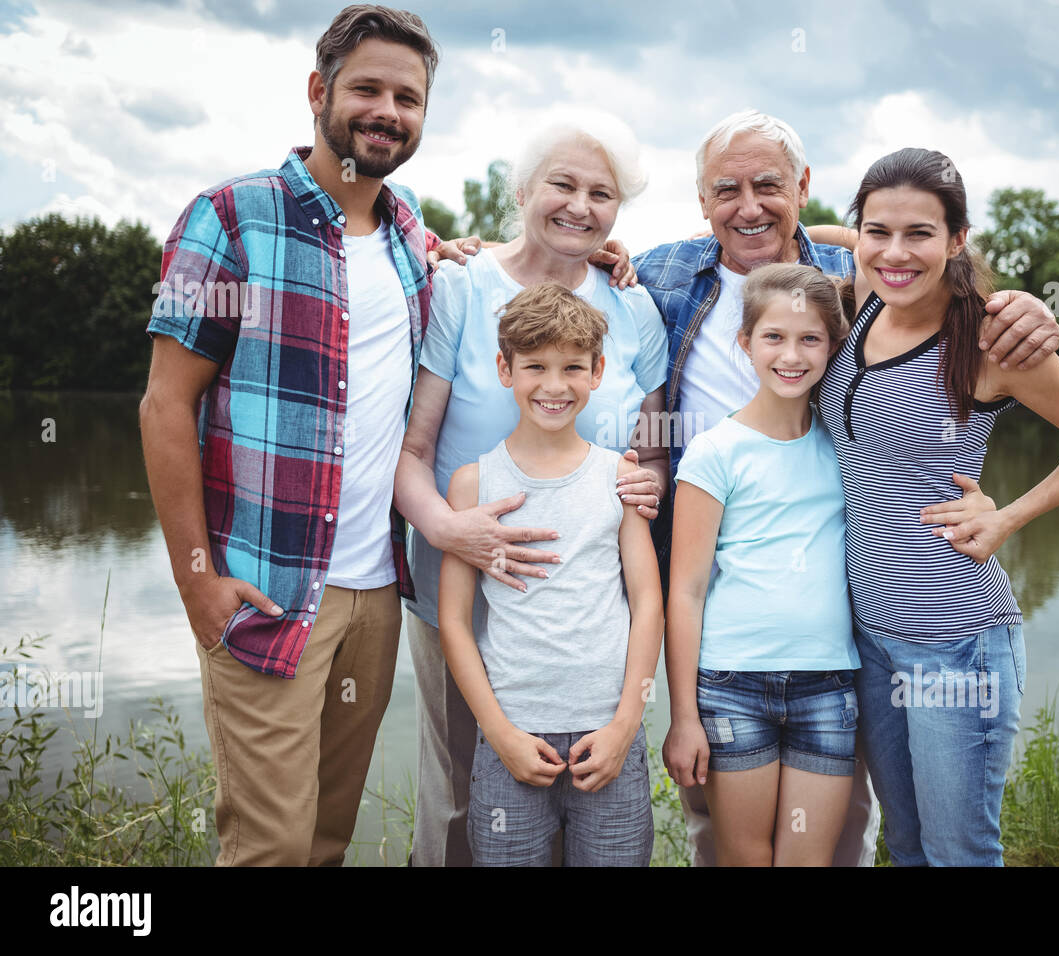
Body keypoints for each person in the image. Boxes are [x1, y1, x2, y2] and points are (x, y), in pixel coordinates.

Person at [630, 109, 1059, 867]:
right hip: (738, 637)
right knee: (733, 842)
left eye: (770, 186)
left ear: (803, 188)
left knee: (847, 839)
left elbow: (914, 250)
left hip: (848, 637)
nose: (749, 205)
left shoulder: (854, 289)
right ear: (700, 198)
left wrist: (1021, 302)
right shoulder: (658, 275)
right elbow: (564, 276)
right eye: (725, 189)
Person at [138, 5, 438, 865]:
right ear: (319, 92)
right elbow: (165, 406)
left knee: (325, 842)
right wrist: (198, 583)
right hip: (266, 592)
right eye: (368, 88)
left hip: (376, 595)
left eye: (408, 98)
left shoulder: (411, 234)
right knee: (266, 849)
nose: (388, 111)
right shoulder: (231, 217)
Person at [818, 147, 1059, 865]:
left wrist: (1007, 518)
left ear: (958, 239)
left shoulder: (990, 340)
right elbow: (844, 240)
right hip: (870, 639)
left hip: (957, 643)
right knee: (908, 845)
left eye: (920, 234)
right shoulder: (865, 302)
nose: (896, 252)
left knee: (959, 850)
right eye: (878, 231)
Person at [394, 110, 669, 866]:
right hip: (463, 573)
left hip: (585, 590)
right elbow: (411, 450)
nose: (581, 206)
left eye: (602, 193)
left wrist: (645, 485)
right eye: (563, 184)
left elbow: (652, 451)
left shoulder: (634, 306)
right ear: (523, 189)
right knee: (464, 789)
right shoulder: (460, 284)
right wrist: (451, 532)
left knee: (591, 791)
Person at [438, 282, 662, 866]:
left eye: (573, 367)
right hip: (513, 738)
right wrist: (501, 734)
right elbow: (455, 624)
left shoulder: (620, 478)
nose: (555, 385)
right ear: (504, 369)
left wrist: (623, 726)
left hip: (607, 736)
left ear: (597, 372)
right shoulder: (472, 484)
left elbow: (648, 603)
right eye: (535, 365)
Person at [663, 264, 865, 865]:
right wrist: (683, 719)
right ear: (745, 342)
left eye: (811, 339)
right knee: (745, 858)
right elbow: (687, 590)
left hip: (827, 685)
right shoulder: (714, 451)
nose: (792, 355)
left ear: (834, 347)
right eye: (774, 336)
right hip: (732, 687)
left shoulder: (847, 444)